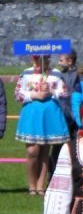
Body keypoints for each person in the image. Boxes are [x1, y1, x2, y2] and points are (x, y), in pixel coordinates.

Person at [15, 56, 69, 195]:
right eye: (37, 59)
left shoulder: (56, 74)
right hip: (32, 113)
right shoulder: (26, 73)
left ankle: (40, 185)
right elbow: (18, 94)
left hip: (49, 113)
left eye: (44, 59)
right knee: (32, 151)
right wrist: (34, 95)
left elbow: (64, 92)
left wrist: (51, 92)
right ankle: (31, 184)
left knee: (45, 150)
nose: (40, 62)